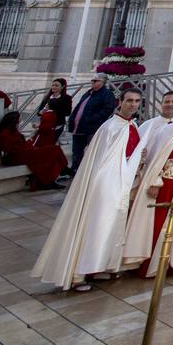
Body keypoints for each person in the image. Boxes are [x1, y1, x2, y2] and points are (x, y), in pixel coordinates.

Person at [32, 89, 145, 291]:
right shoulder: (109, 127)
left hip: (122, 183)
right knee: (94, 226)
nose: (133, 105)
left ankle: (99, 266)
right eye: (129, 101)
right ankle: (78, 274)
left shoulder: (132, 126)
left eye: (137, 101)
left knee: (110, 227)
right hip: (106, 185)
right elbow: (100, 161)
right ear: (120, 102)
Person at [122, 94, 173, 277]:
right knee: (158, 221)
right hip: (165, 182)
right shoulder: (167, 130)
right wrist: (155, 181)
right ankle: (152, 264)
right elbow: (155, 160)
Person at [0, 111, 66, 191]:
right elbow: (11, 148)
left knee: (51, 153)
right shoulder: (5, 133)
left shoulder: (12, 131)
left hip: (23, 154)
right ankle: (63, 169)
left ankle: (52, 179)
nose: (20, 121)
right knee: (52, 150)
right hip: (15, 157)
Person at [67, 73, 116, 174]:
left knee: (93, 151)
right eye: (92, 81)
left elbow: (108, 109)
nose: (93, 83)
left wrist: (92, 119)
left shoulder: (106, 94)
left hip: (92, 128)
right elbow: (78, 107)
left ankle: (92, 172)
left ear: (103, 82)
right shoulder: (88, 93)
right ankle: (75, 170)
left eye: (95, 81)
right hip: (79, 127)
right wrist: (72, 119)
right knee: (76, 151)